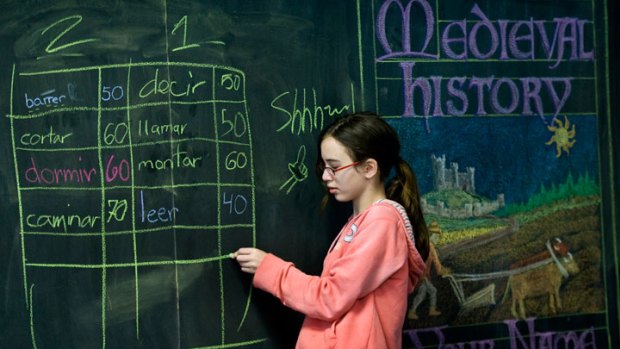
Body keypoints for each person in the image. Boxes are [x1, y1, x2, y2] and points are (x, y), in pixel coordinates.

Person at [233, 112, 429, 349]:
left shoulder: (382, 222)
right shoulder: (362, 222)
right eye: (324, 166)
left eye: (334, 167)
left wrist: (270, 269)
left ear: (369, 168)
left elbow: (330, 297)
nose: (326, 176)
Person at [407, 220, 450, 320]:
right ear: (432, 235)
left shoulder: (424, 244)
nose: (438, 239)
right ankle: (429, 310)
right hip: (423, 275)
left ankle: (413, 311)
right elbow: (436, 263)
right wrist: (442, 271)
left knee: (422, 294)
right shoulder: (430, 246)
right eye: (437, 236)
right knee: (433, 291)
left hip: (421, 274)